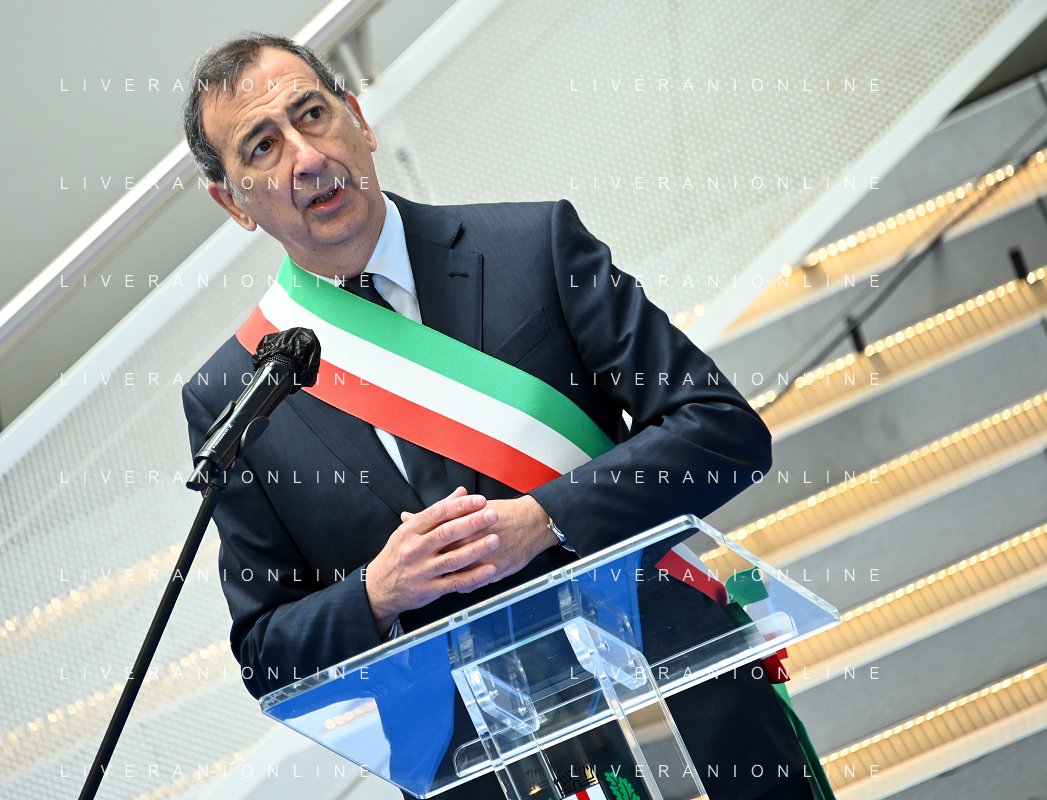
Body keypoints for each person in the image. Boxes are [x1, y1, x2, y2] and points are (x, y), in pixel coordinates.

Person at [181, 32, 816, 800]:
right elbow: (266, 652)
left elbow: (720, 429)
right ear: (233, 203)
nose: (307, 157)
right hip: (480, 773)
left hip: (687, 707)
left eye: (312, 115)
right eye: (262, 146)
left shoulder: (532, 246)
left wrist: (546, 519)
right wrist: (378, 591)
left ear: (358, 119)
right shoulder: (236, 392)